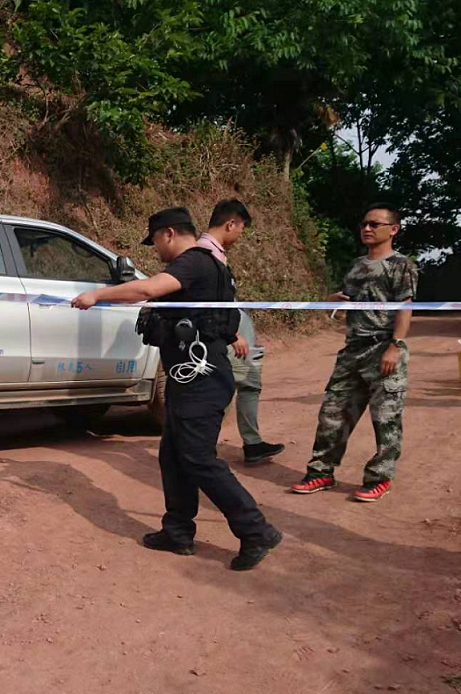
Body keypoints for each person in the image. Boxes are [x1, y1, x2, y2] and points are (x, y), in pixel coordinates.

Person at [71, 207, 283, 571]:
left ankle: (256, 529)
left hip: (201, 380)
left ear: (168, 233)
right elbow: (218, 318)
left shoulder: (193, 262)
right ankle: (178, 531)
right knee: (173, 455)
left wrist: (97, 295)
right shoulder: (213, 266)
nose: (155, 249)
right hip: (192, 378)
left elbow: (148, 289)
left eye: (155, 240)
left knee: (198, 458)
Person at [291, 203, 417, 502]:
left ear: (393, 229)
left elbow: (405, 307)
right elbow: (348, 302)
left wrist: (395, 346)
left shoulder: (402, 265)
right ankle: (321, 472)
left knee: (386, 419)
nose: (367, 228)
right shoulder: (357, 265)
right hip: (353, 350)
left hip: (383, 347)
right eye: (364, 224)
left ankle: (379, 477)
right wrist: (333, 301)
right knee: (332, 414)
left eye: (375, 224)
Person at [197, 198, 285, 464]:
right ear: (231, 224)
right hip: (229, 335)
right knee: (225, 388)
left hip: (236, 329)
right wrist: (232, 334)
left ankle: (251, 443)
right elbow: (207, 305)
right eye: (241, 228)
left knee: (247, 384)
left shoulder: (215, 253)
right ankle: (201, 449)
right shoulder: (206, 255)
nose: (240, 235)